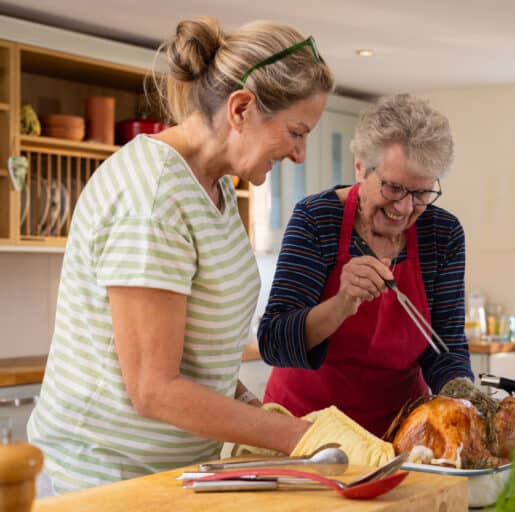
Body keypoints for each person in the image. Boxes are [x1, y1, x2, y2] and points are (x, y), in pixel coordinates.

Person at [27, 17, 391, 495]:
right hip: (103, 481)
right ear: (241, 109)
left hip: (172, 473)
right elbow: (153, 389)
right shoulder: (152, 200)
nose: (301, 155)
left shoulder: (216, 187)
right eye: (297, 132)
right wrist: (302, 437)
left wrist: (254, 408)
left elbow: (198, 355)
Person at [258, 94, 474, 437]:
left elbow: (444, 346)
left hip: (400, 435)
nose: (404, 208)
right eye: (393, 188)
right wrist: (342, 303)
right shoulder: (316, 220)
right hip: (305, 432)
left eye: (421, 194)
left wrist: (464, 399)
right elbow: (274, 342)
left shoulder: (442, 234)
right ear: (360, 167)